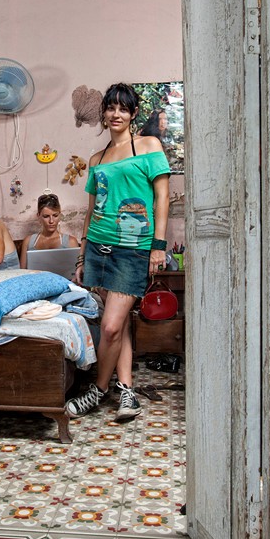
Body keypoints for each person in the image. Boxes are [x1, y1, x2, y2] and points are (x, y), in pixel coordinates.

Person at [67, 82, 170, 421]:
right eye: (111, 108)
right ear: (104, 113)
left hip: (134, 248)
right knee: (119, 322)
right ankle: (127, 390)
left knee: (110, 326)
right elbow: (91, 209)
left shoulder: (147, 146)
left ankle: (98, 389)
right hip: (98, 245)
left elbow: (162, 198)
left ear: (133, 113)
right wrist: (82, 255)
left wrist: (158, 245)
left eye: (123, 109)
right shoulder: (97, 158)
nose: (115, 114)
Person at [19, 193, 79, 268]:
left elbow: (76, 273)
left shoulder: (71, 242)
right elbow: (22, 272)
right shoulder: (28, 241)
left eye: (55, 216)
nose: (51, 221)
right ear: (39, 216)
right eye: (46, 216)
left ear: (60, 215)